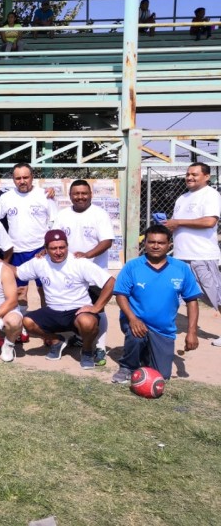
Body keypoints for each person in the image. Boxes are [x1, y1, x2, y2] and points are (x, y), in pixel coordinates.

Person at [111, 225, 201, 383]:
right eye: (151, 242)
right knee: (136, 334)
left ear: (169, 245)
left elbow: (192, 301)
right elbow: (120, 295)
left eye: (160, 243)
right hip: (137, 321)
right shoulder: (132, 266)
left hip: (163, 329)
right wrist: (132, 318)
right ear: (144, 243)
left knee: (161, 376)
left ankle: (146, 354)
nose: (155, 246)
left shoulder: (181, 269)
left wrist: (192, 331)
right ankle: (127, 366)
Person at [15, 229, 115, 369]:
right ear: (46, 249)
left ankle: (86, 351)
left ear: (67, 246)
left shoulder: (79, 262)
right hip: (53, 311)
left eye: (62, 247)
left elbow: (110, 282)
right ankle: (57, 341)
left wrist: (96, 307)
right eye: (53, 248)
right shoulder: (39, 262)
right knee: (27, 322)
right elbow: (17, 272)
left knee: (87, 322)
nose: (58, 252)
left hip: (77, 311)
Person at [52, 179, 115, 364]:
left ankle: (100, 347)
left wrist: (87, 255)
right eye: (76, 193)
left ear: (90, 194)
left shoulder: (99, 214)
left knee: (98, 310)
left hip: (94, 273)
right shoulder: (62, 215)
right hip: (69, 273)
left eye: (84, 193)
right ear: (70, 196)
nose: (80, 197)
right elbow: (53, 240)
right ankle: (78, 337)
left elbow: (107, 241)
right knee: (73, 307)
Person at [163, 162, 221, 335]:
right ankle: (183, 330)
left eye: (194, 174)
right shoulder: (182, 198)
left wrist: (178, 222)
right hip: (180, 256)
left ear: (206, 176)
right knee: (183, 294)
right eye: (188, 174)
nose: (189, 177)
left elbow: (210, 221)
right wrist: (168, 225)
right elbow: (176, 223)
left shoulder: (210, 195)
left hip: (202, 255)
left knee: (215, 295)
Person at [0, 162, 57, 306]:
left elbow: (55, 223)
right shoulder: (6, 198)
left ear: (32, 177)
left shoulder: (44, 195)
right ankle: (20, 325)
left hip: (40, 251)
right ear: (13, 180)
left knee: (45, 289)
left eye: (25, 177)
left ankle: (47, 323)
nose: (22, 181)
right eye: (18, 178)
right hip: (17, 251)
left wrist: (48, 248)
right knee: (19, 291)